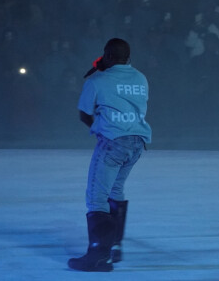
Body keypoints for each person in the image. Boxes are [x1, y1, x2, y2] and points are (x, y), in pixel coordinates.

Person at [68, 38, 152, 271]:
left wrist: (99, 127)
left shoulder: (97, 80)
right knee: (115, 190)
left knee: (97, 197)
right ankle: (115, 246)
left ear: (106, 56)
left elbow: (84, 115)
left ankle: (97, 255)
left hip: (113, 142)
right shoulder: (140, 77)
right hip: (137, 142)